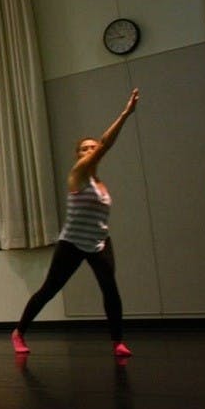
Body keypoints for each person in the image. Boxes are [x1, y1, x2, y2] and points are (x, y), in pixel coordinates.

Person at [11, 89, 140, 358]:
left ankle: (117, 342)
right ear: (78, 155)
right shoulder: (77, 175)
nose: (90, 151)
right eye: (85, 149)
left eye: (92, 148)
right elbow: (106, 143)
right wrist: (125, 114)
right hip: (72, 242)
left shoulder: (100, 184)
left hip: (100, 241)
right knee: (49, 289)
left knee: (110, 288)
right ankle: (19, 332)